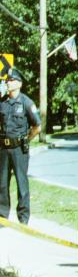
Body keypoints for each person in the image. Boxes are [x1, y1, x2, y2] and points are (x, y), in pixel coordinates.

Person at [0, 68, 41, 224]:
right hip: (3, 148)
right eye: (7, 80)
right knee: (2, 184)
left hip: (19, 149)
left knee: (21, 184)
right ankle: (2, 217)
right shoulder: (2, 103)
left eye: (11, 80)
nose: (8, 83)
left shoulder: (26, 102)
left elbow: (37, 126)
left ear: (19, 84)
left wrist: (26, 140)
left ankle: (23, 219)